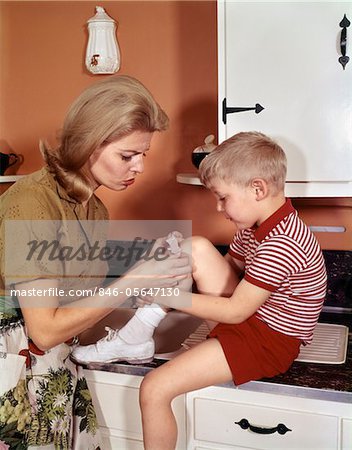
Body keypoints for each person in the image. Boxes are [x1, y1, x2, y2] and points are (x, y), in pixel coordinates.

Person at [0, 75, 191, 449]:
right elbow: (43, 330)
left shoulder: (94, 209)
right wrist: (133, 280)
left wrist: (141, 302)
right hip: (14, 382)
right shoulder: (31, 203)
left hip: (57, 374)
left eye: (143, 155)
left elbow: (73, 304)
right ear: (89, 144)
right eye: (127, 155)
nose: (139, 167)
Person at [139, 131, 327, 450]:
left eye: (223, 197)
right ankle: (141, 326)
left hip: (268, 343)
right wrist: (172, 271)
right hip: (253, 321)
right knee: (197, 246)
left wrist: (171, 298)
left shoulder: (283, 242)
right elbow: (227, 268)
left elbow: (235, 310)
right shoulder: (254, 227)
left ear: (258, 188)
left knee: (154, 389)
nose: (217, 207)